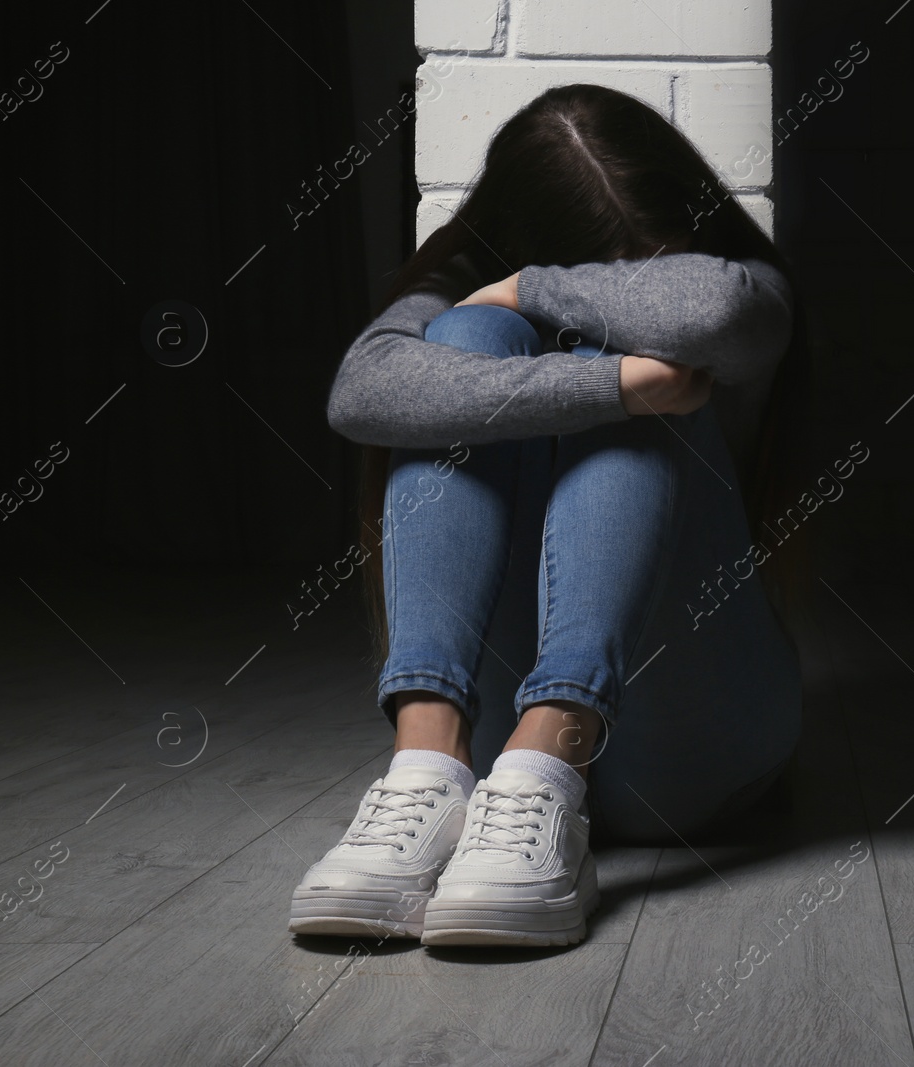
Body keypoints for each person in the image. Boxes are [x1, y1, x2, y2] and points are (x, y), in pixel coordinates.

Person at [288, 84, 810, 948]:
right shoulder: (459, 293)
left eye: (653, 266)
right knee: (460, 347)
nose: (631, 288)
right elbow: (361, 392)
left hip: (696, 741)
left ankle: (551, 753)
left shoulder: (744, 286)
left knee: (641, 368)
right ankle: (427, 763)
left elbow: (706, 312)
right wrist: (608, 387)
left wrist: (538, 289)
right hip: (492, 775)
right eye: (597, 270)